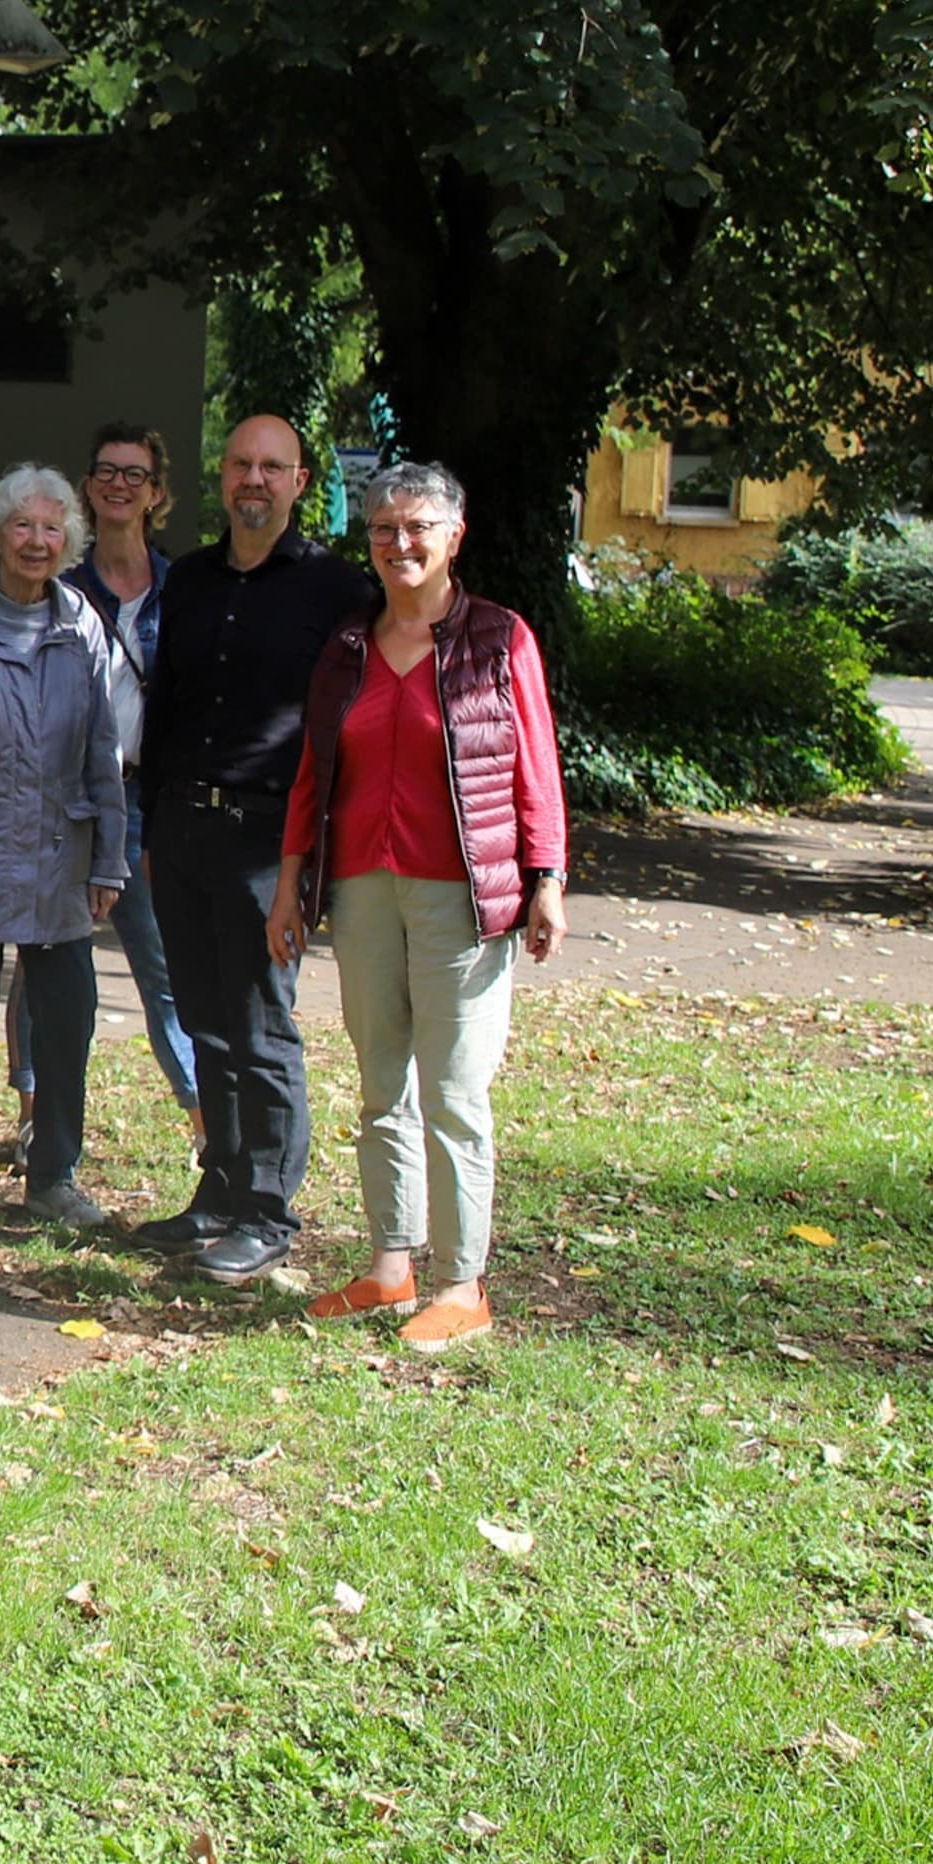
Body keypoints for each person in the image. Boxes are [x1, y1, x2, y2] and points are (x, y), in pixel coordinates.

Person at [270, 461, 569, 1352]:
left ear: (454, 536)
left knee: (453, 1091)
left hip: (466, 896)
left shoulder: (498, 639)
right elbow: (312, 774)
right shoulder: (347, 647)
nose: (400, 544)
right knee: (380, 1087)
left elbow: (537, 767)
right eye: (384, 529)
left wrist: (547, 877)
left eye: (418, 528)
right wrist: (291, 881)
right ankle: (390, 1267)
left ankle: (462, 1283)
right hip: (361, 890)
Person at [137, 413, 378, 1285]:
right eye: (241, 463)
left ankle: (269, 1213)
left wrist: (312, 858)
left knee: (260, 1024)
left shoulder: (337, 590)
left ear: (301, 483)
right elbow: (165, 701)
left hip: (269, 837)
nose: (254, 480)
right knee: (204, 1017)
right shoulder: (192, 579)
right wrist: (153, 820)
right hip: (181, 824)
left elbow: (349, 724)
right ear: (222, 475)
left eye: (273, 467)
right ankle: (220, 1189)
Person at [0, 467, 128, 1232]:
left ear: (68, 540)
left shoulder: (81, 622)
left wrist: (110, 855)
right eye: (22, 527)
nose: (38, 542)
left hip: (61, 851)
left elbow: (102, 748)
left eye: (52, 529)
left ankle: (54, 1176)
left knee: (67, 1020)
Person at [57, 421, 197, 1133]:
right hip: (65, 798)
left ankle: (209, 1131)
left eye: (134, 474)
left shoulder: (184, 591)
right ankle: (35, 1117)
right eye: (106, 470)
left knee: (167, 970)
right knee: (50, 964)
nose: (118, 483)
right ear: (87, 487)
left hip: (145, 798)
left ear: (156, 493)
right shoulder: (57, 586)